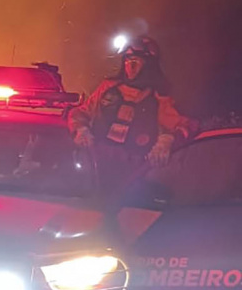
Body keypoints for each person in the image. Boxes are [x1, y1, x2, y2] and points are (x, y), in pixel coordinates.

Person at [67, 35, 194, 191]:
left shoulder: (159, 98)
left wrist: (167, 140)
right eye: (127, 61)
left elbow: (186, 125)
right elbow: (80, 113)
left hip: (134, 173)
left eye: (136, 61)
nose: (130, 67)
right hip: (96, 166)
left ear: (149, 65)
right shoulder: (107, 88)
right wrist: (80, 129)